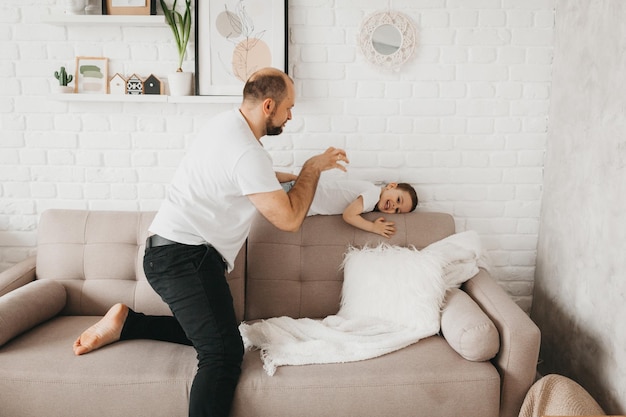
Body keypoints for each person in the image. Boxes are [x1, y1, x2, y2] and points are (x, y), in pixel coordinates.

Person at [71, 67, 349, 417]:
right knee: (223, 354)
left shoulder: (224, 125)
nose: (291, 115)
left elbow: (241, 171)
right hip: (184, 258)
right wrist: (311, 168)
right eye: (288, 107)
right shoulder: (248, 153)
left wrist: (287, 175)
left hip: (169, 253)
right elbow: (290, 219)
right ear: (268, 106)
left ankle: (130, 323)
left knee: (220, 334)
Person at [280, 178, 418, 238]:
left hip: (298, 198)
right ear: (391, 186)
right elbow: (349, 215)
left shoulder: (371, 193)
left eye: (397, 211)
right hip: (295, 196)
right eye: (398, 200)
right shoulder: (373, 194)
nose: (394, 206)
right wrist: (373, 227)